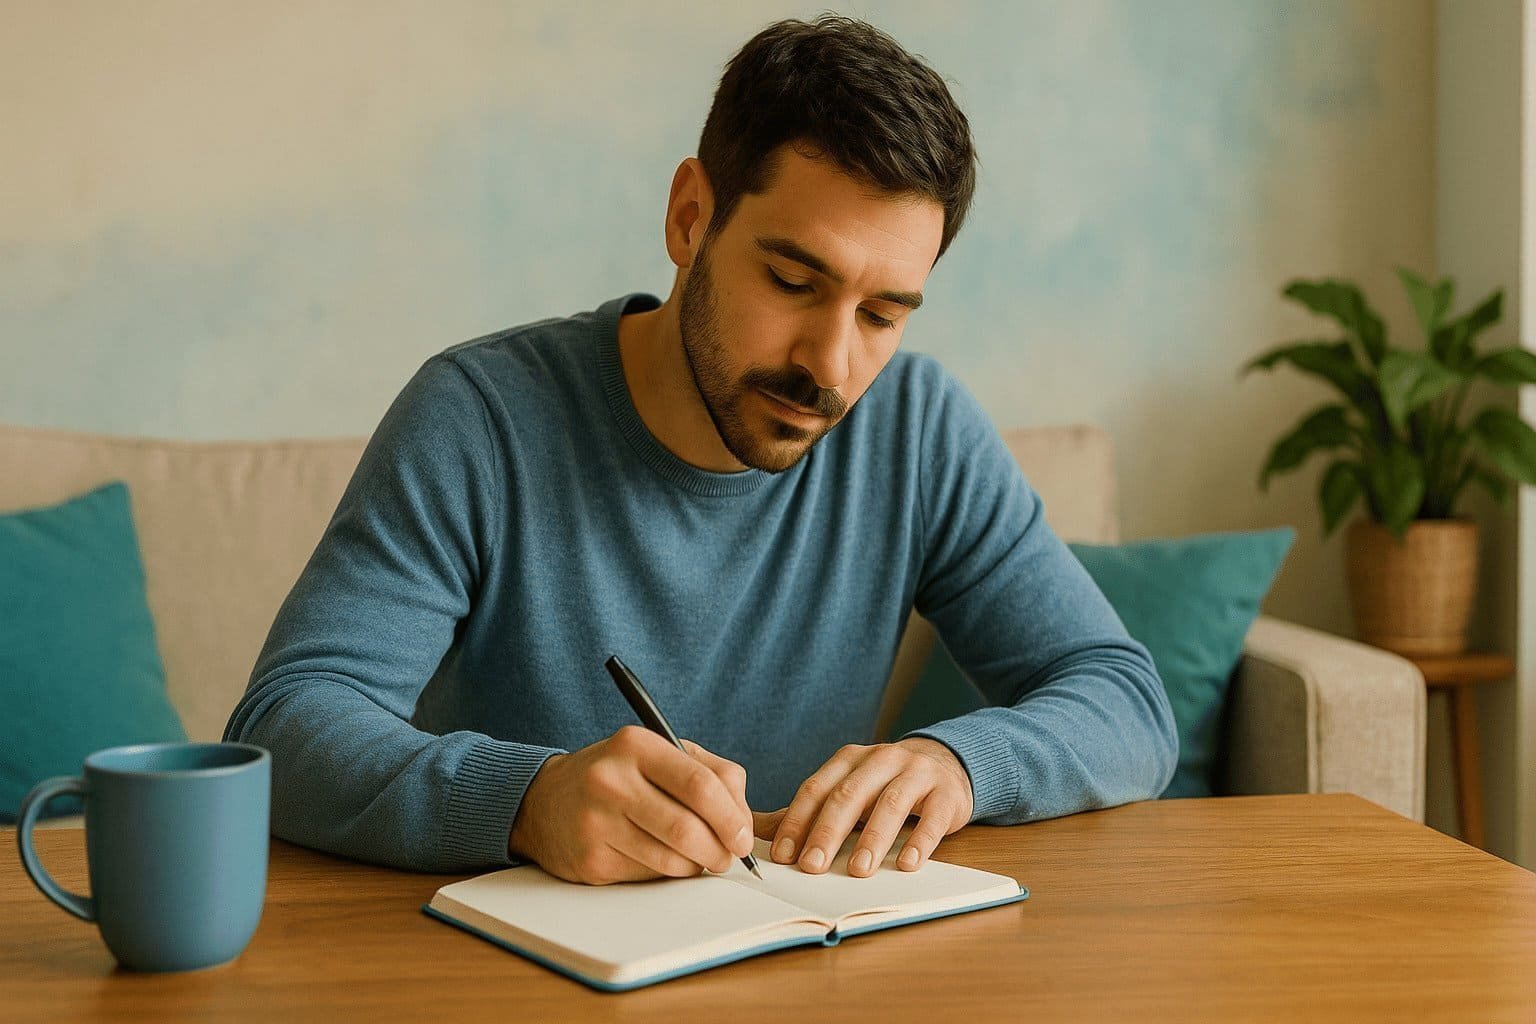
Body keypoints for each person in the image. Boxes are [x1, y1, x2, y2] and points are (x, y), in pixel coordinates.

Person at [224, 15, 1176, 884]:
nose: (831, 367)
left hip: (800, 956)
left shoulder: (920, 433)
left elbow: (1126, 700)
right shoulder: (478, 417)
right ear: (690, 217)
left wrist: (962, 764)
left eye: (883, 315)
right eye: (793, 280)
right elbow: (287, 723)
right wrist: (527, 800)